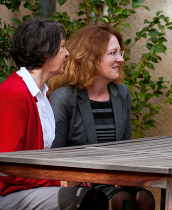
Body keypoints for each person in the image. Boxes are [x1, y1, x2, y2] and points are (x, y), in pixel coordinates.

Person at [0, 18, 108, 210]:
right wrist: (58, 181)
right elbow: (7, 166)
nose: (67, 54)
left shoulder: (41, 94)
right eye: (62, 47)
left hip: (29, 188)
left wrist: (72, 176)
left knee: (93, 195)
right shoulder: (13, 94)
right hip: (8, 194)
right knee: (91, 199)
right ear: (45, 53)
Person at [48, 24, 155, 210]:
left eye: (120, 53)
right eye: (113, 53)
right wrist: (81, 175)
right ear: (90, 58)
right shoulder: (64, 98)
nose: (120, 59)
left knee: (145, 198)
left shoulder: (122, 93)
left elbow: (125, 146)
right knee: (119, 200)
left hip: (115, 175)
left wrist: (122, 172)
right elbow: (55, 154)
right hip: (81, 178)